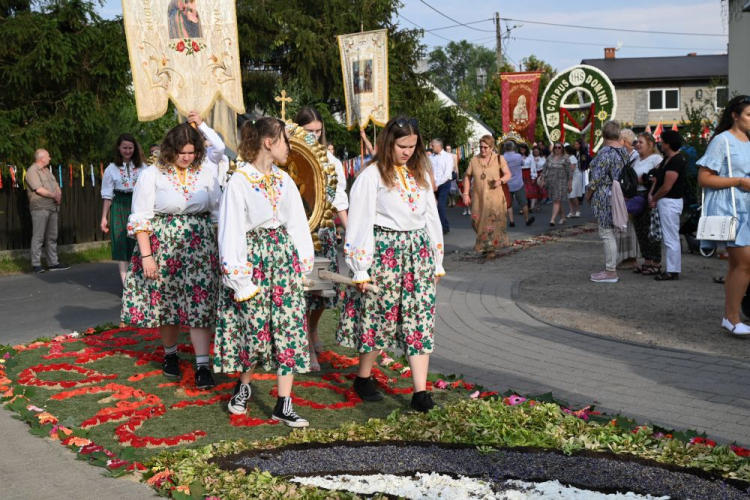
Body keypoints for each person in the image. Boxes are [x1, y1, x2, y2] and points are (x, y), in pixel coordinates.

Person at [338, 116, 445, 413]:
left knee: (419, 317)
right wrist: (360, 267)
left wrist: (437, 260)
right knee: (379, 317)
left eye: (413, 146)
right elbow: (359, 221)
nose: (408, 151)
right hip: (384, 251)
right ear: (388, 143)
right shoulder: (371, 175)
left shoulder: (419, 172)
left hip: (417, 252)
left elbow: (430, 217)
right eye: (402, 145)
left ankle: (420, 391)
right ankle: (363, 377)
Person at [215, 118, 314, 426]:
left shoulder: (284, 180)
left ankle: (283, 403)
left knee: (288, 328)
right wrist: (239, 278)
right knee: (255, 329)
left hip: (282, 260)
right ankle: (243, 386)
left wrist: (302, 261)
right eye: (285, 140)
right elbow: (231, 229)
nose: (289, 146)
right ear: (269, 142)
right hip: (253, 260)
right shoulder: (240, 181)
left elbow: (296, 222)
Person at [121, 122, 221, 389]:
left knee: (200, 303)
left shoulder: (207, 172)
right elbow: (140, 216)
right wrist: (147, 256)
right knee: (169, 305)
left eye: (191, 152)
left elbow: (218, 213)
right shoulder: (152, 174)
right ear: (169, 150)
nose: (186, 157)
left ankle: (202, 366)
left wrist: (222, 250)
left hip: (200, 246)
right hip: (164, 244)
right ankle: (171, 355)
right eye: (181, 152)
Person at [294, 107, 349, 372]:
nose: (314, 136)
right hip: (297, 231)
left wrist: (349, 231)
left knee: (324, 290)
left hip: (324, 230)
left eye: (318, 131)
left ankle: (313, 329)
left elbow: (339, 200)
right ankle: (303, 341)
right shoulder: (290, 155)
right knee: (303, 288)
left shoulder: (332, 160)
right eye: (309, 131)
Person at [697, 96, 750, 334]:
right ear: (735, 115)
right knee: (743, 263)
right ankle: (732, 318)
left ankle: (732, 316)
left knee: (739, 265)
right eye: (749, 114)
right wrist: (739, 180)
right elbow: (704, 178)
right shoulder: (722, 141)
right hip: (732, 208)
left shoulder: (749, 141)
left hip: (747, 207)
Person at [585, 121, 629, 283]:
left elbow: (596, 178)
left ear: (604, 135)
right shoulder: (623, 152)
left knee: (606, 232)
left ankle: (611, 271)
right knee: (610, 232)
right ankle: (611, 269)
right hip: (617, 193)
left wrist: (589, 194)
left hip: (605, 194)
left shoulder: (605, 153)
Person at [101, 134, 146, 284]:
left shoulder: (143, 167)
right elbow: (107, 195)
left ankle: (140, 283)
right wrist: (104, 217)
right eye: (125, 148)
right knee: (121, 245)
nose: (128, 151)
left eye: (130, 148)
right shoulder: (111, 169)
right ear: (119, 149)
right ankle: (126, 285)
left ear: (135, 148)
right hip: (119, 206)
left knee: (139, 243)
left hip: (138, 204)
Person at [462, 134, 511, 259]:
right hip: (478, 197)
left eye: (486, 147)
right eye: (481, 147)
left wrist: (500, 181)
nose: (483, 150)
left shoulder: (499, 159)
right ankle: (485, 243)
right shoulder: (474, 160)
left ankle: (491, 248)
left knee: (491, 223)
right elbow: (467, 176)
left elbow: (508, 174)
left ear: (491, 147)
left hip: (495, 197)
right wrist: (466, 193)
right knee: (475, 221)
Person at [649, 130, 686, 281]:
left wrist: (654, 198)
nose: (660, 143)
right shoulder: (667, 159)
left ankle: (672, 270)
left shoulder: (676, 161)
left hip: (670, 201)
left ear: (668, 144)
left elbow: (666, 186)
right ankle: (671, 268)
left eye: (662, 141)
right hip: (666, 200)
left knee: (671, 237)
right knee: (669, 236)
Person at [26, 149, 69, 274]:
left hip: (53, 207)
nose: (50, 158)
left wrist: (59, 194)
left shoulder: (47, 172)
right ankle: (36, 265)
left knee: (52, 237)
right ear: (41, 158)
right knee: (38, 236)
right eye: (48, 156)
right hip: (40, 207)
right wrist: (54, 195)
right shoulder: (32, 171)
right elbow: (39, 190)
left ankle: (53, 263)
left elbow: (56, 186)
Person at [632, 132, 664, 275]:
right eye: (636, 142)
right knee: (640, 230)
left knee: (651, 229)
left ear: (650, 144)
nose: (637, 145)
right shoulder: (635, 160)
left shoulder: (656, 159)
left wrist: (643, 182)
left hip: (648, 194)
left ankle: (656, 262)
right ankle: (647, 260)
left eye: (640, 142)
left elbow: (658, 178)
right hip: (636, 195)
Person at [615, 129, 640, 271]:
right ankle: (626, 257)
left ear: (624, 141)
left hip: (631, 197)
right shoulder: (626, 156)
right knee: (623, 228)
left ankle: (631, 258)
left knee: (630, 229)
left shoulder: (635, 157)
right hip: (623, 196)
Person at [503, 142, 535, 227]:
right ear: (513, 148)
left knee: (509, 204)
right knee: (523, 203)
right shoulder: (518, 156)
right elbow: (522, 164)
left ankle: (511, 221)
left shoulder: (502, 157)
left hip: (507, 183)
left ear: (505, 148)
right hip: (518, 182)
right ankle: (527, 220)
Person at [540, 142, 572, 226]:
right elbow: (544, 170)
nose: (557, 149)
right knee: (557, 200)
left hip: (561, 182)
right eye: (556, 147)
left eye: (559, 147)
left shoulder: (565, 158)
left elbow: (569, 173)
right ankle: (563, 217)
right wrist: (542, 180)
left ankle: (552, 219)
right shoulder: (550, 157)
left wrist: (570, 184)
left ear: (562, 149)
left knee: (557, 200)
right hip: (551, 182)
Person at [429, 138, 453, 234]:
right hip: (433, 184)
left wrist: (437, 184)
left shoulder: (447, 157)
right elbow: (429, 171)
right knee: (433, 206)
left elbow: (447, 174)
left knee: (441, 206)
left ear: (438, 146)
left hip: (444, 183)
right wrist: (432, 184)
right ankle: (441, 225)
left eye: (432, 146)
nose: (431, 147)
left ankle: (443, 227)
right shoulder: (431, 157)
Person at [565, 144, 582, 218]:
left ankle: (578, 210)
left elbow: (572, 169)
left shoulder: (572, 158)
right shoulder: (566, 158)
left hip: (575, 177)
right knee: (569, 195)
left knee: (573, 194)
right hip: (568, 177)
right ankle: (571, 211)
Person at [529, 145, 546, 212]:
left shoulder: (542, 158)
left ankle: (538, 205)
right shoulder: (530, 158)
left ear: (539, 151)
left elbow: (545, 167)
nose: (536, 152)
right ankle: (532, 206)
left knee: (540, 192)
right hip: (533, 174)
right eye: (534, 151)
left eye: (537, 151)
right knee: (533, 191)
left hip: (540, 175)